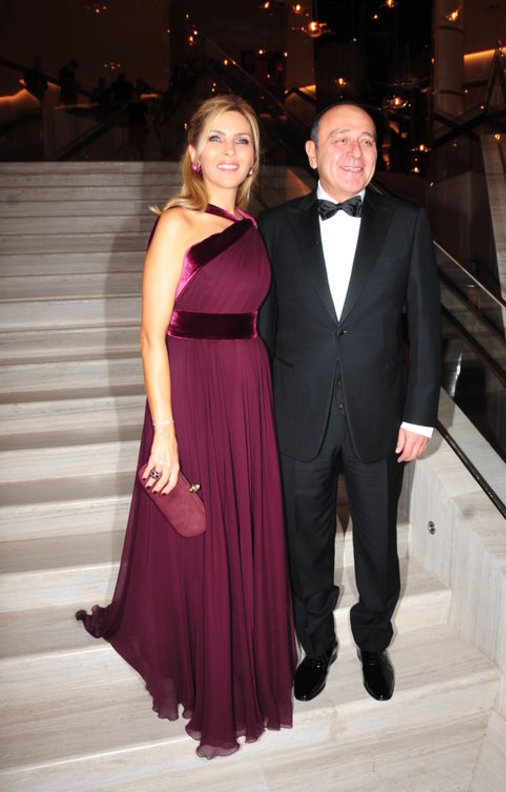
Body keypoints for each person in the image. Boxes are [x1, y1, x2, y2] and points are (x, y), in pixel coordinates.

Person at [76, 94, 296, 758]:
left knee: (238, 526)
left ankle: (242, 657)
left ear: (254, 157)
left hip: (246, 387)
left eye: (243, 140)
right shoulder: (177, 222)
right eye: (217, 139)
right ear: (194, 152)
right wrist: (166, 431)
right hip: (192, 394)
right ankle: (207, 676)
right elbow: (151, 335)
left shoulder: (251, 225)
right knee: (202, 535)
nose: (231, 151)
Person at [258, 101, 441, 705]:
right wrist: (258, 413)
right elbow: (263, 329)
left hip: (381, 415)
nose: (355, 152)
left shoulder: (407, 222)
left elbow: (426, 325)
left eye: (366, 140)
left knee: (377, 538)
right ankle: (315, 644)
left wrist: (419, 414)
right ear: (312, 152)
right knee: (305, 539)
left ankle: (372, 641)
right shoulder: (274, 226)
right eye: (340, 139)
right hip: (297, 413)